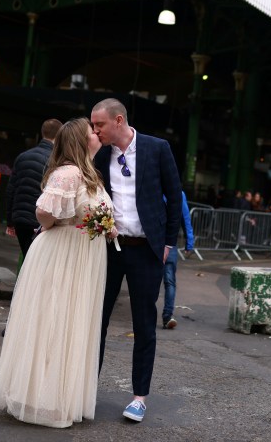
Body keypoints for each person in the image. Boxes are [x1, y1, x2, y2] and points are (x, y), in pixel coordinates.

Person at [0, 118, 116, 428]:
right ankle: (41, 398)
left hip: (82, 255)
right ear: (80, 139)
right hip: (62, 253)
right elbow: (44, 212)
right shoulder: (69, 173)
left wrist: (103, 228)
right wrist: (63, 225)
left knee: (70, 323)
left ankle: (58, 397)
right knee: (54, 320)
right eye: (92, 130)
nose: (96, 133)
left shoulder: (90, 174)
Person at [91, 98, 182, 423]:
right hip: (109, 248)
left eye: (99, 124)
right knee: (96, 320)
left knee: (144, 323)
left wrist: (169, 242)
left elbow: (174, 194)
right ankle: (88, 391)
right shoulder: (99, 154)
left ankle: (139, 397)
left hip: (147, 249)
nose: (95, 130)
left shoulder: (157, 148)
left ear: (118, 120)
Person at [5, 118, 62, 262]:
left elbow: (10, 190)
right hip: (39, 221)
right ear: (59, 135)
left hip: (20, 219)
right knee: (37, 263)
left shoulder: (22, 157)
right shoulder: (55, 161)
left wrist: (10, 221)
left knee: (27, 258)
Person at [161, 190, 195, 330]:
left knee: (153, 280)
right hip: (169, 243)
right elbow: (185, 218)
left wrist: (190, 241)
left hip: (156, 242)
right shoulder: (177, 193)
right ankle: (167, 316)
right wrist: (189, 242)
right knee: (169, 282)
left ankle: (165, 316)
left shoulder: (152, 188)